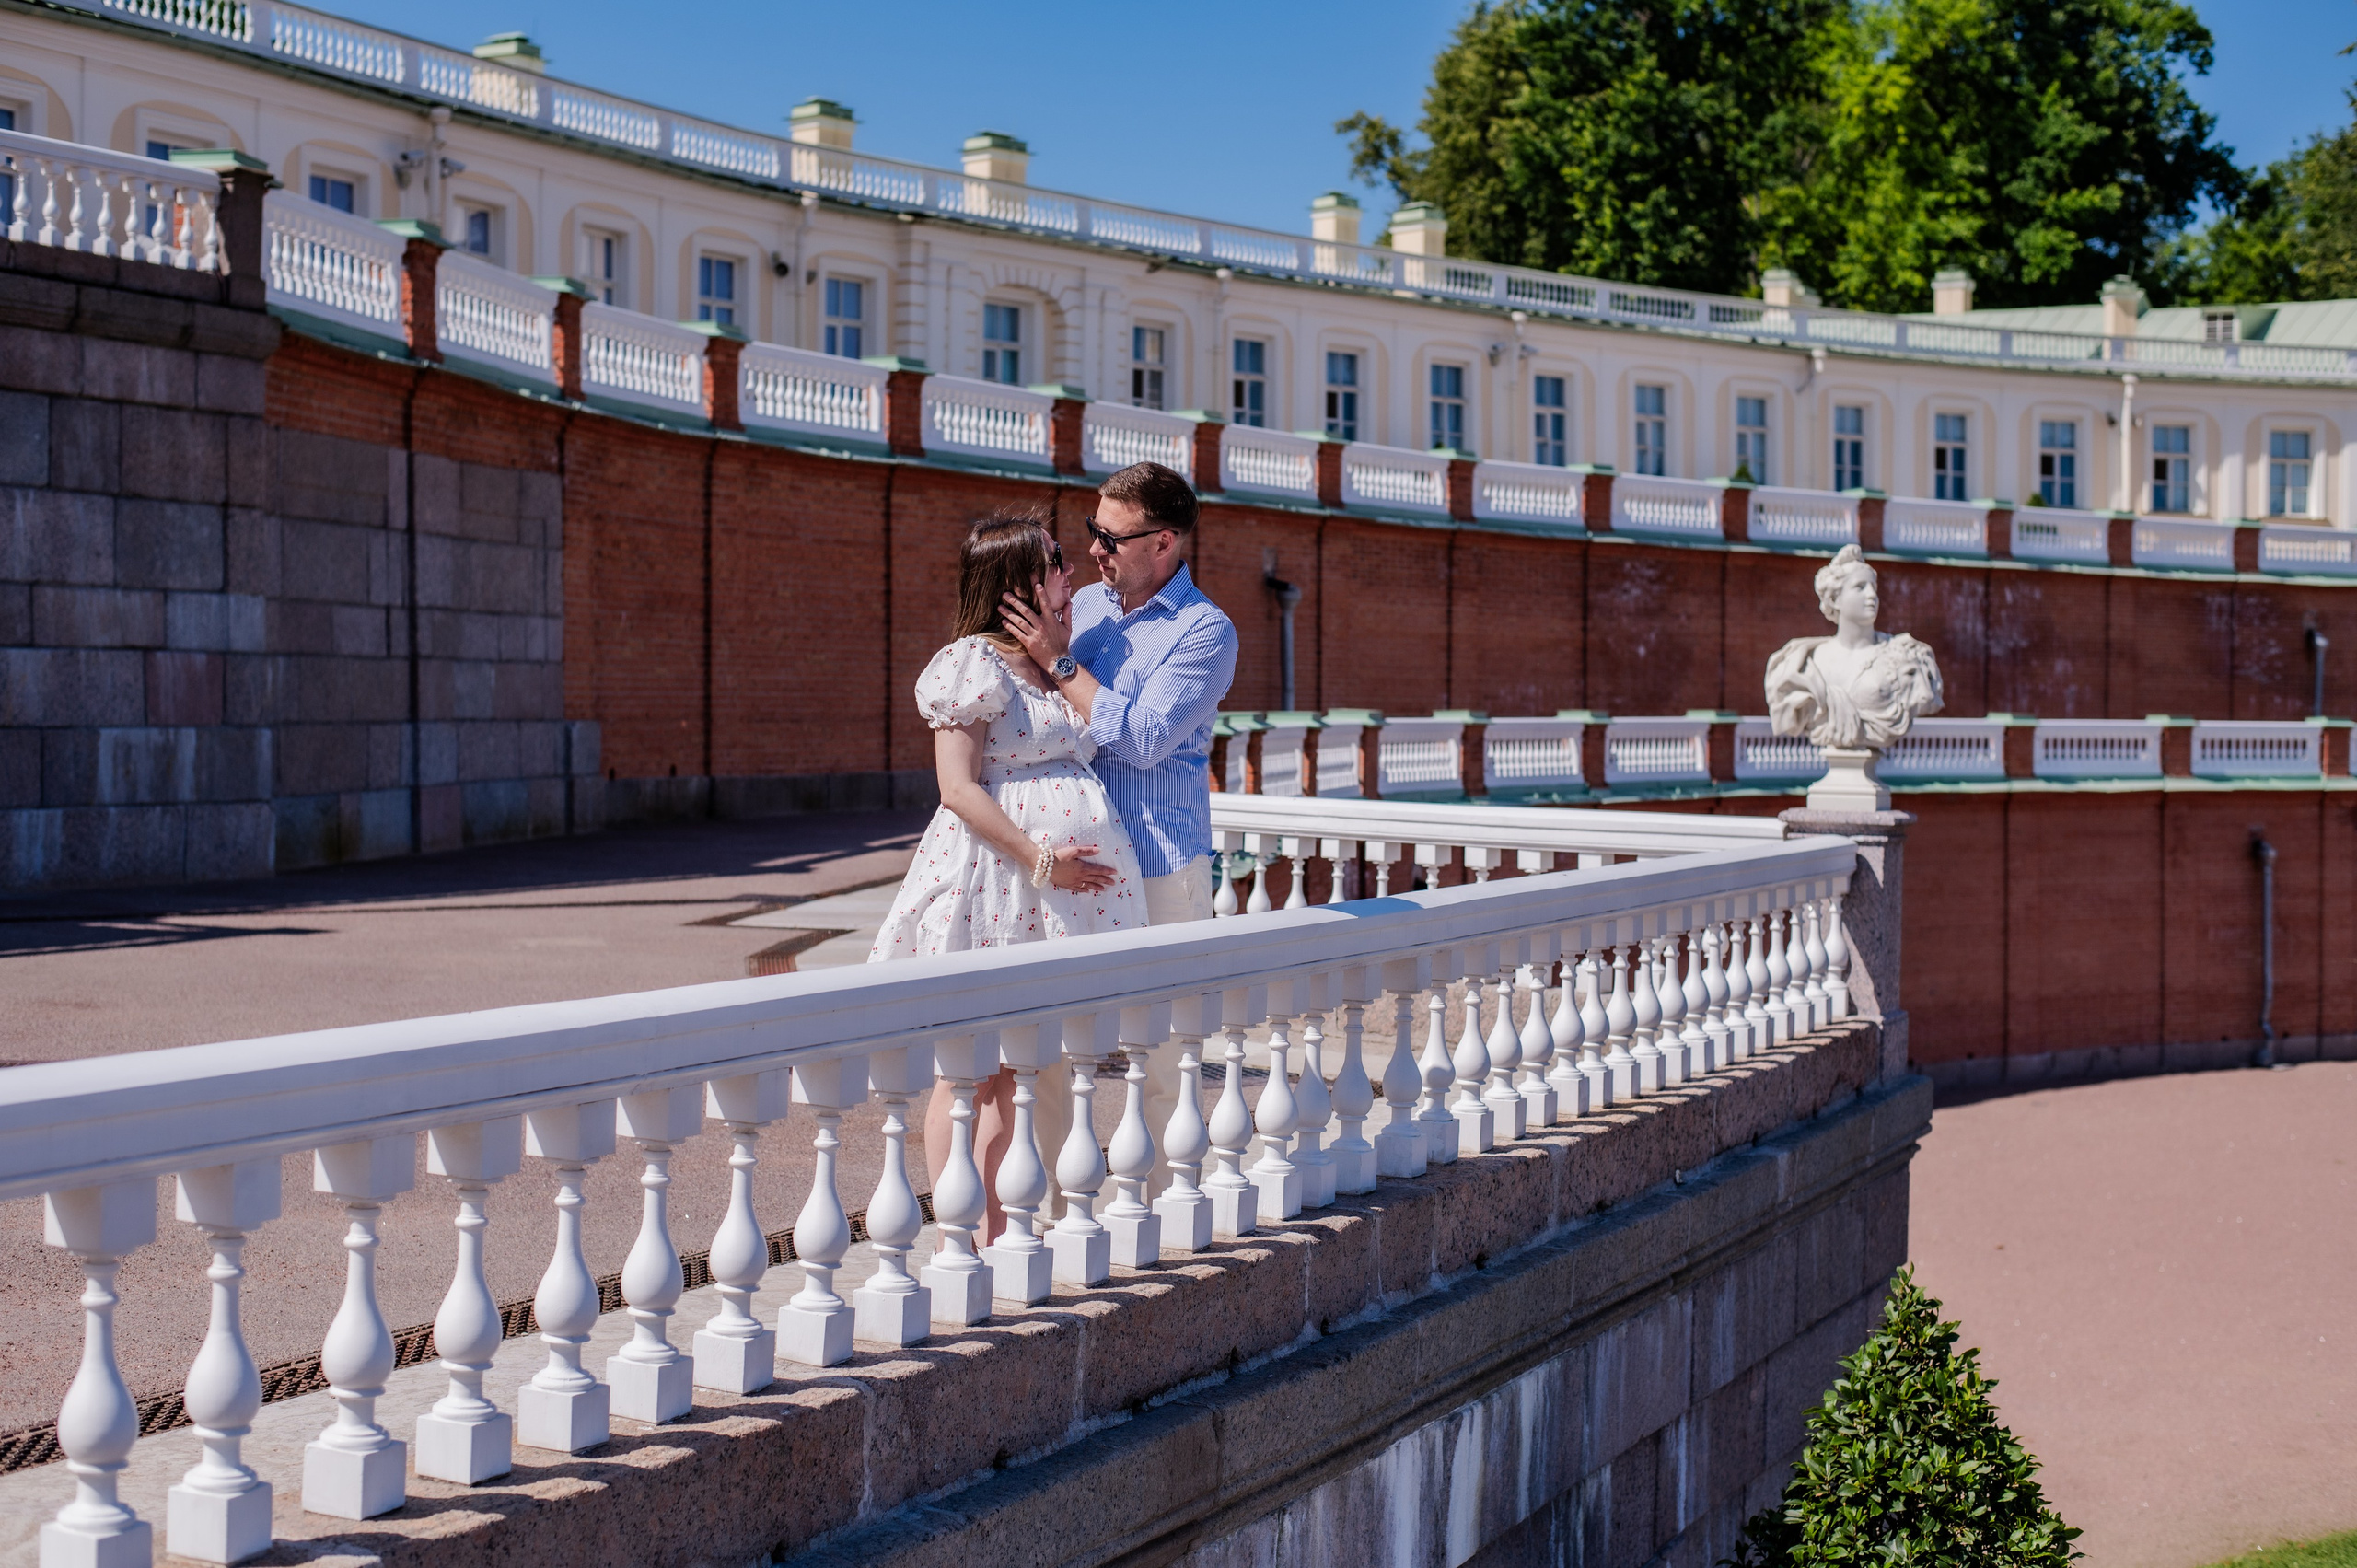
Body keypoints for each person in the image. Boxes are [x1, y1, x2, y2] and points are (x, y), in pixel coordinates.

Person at [871, 509, 1147, 1241]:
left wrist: (1058, 656)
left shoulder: (1054, 658)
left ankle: (997, 1233)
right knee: (968, 1071)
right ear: (1021, 577)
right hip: (995, 882)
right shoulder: (973, 662)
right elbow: (957, 789)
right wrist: (1043, 859)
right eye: (1056, 560)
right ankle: (959, 1236)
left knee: (1016, 1072)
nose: (1070, 571)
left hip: (1049, 903)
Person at [996, 459, 1239, 1177]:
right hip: (1072, 864)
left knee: (1160, 1059)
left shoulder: (1206, 632)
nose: (1095, 550)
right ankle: (1038, 1214)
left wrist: (1060, 662)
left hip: (1160, 865)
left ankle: (1172, 1223)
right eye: (1092, 532)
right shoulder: (1088, 608)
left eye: (1112, 537)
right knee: (1041, 1057)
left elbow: (1139, 739)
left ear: (1164, 542)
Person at [1764, 543, 1945, 750]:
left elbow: (1925, 698)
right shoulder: (1800, 663)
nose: (1872, 595)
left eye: (1874, 588)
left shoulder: (1907, 656)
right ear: (1835, 599)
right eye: (1860, 587)